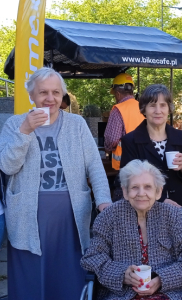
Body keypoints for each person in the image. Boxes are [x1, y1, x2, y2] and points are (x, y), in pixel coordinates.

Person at [0, 67, 112, 300]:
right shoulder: (14, 124)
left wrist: (104, 202)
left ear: (62, 96)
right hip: (27, 215)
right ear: (32, 95)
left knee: (68, 275)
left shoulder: (77, 124)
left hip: (70, 213)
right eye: (43, 92)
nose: (49, 98)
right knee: (30, 277)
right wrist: (25, 131)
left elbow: (94, 166)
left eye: (55, 92)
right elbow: (7, 166)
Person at [81, 159, 182, 300]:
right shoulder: (109, 217)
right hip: (121, 295)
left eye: (148, 187)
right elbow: (93, 257)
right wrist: (122, 275)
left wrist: (161, 279)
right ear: (125, 191)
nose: (141, 193)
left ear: (158, 192)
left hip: (171, 292)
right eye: (134, 187)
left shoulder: (172, 215)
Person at [120, 84, 182, 235]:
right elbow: (126, 181)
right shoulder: (130, 140)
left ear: (169, 108)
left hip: (180, 210)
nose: (158, 111)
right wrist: (161, 199)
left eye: (163, 105)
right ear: (143, 109)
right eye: (152, 105)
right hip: (145, 213)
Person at [104, 73, 145, 170]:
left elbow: (112, 140)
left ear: (117, 94)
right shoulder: (142, 107)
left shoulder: (118, 110)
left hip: (126, 164)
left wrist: (107, 150)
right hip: (143, 161)